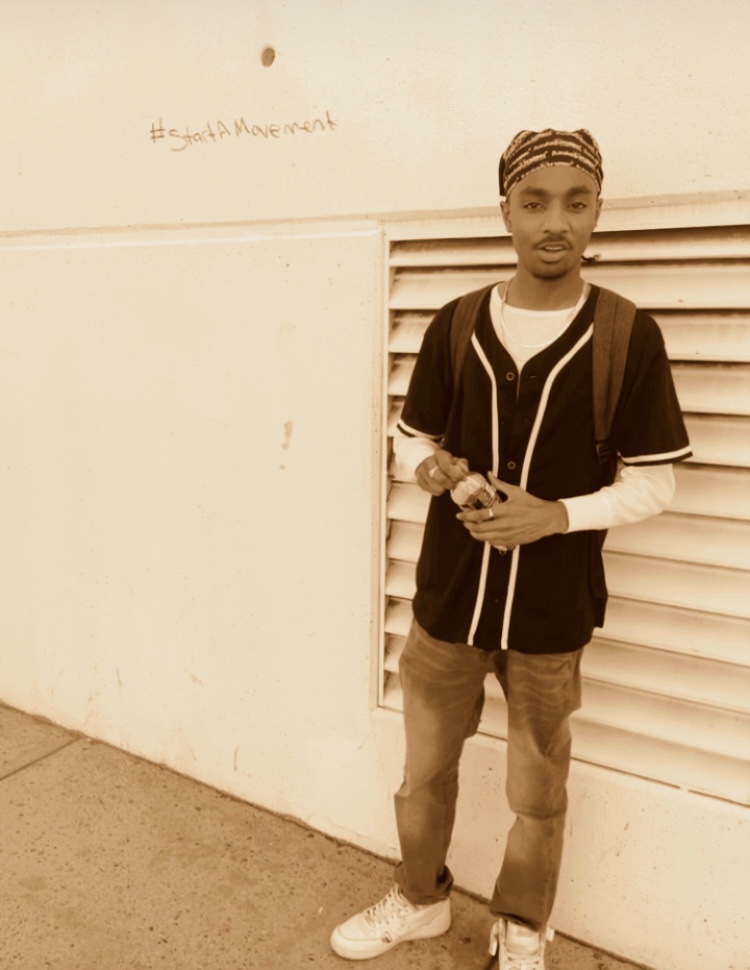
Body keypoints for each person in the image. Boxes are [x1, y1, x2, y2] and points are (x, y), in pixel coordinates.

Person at [330, 129, 692, 969]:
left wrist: (554, 516)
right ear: (506, 212)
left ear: (596, 211)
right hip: (448, 604)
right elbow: (410, 438)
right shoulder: (457, 324)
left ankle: (523, 926)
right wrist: (430, 468)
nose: (554, 222)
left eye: (575, 202)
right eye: (534, 202)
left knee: (537, 790)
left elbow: (655, 484)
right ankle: (421, 900)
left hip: (550, 616)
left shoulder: (626, 336)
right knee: (424, 773)